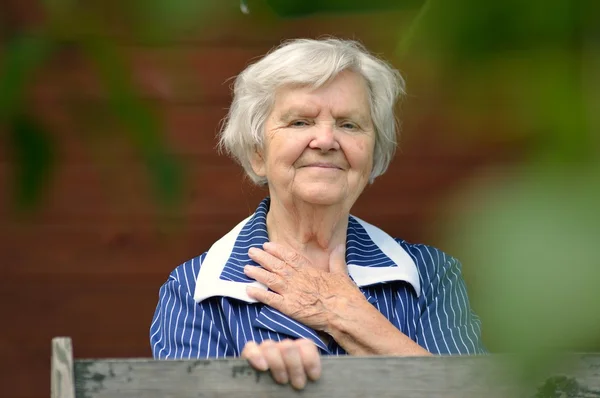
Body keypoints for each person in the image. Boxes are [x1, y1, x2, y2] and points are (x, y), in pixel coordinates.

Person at [150, 38, 485, 390]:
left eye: (349, 125)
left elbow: (477, 394)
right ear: (257, 153)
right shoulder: (196, 290)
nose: (325, 140)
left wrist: (350, 317)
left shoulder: (431, 277)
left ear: (373, 153)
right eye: (299, 122)